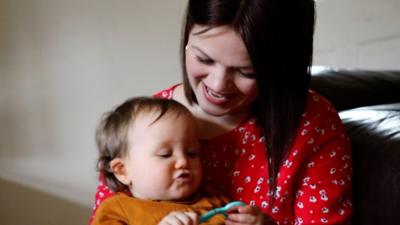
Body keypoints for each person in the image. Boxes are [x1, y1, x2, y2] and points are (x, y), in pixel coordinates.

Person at [91, 0, 353, 224]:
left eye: (246, 72)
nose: (217, 85)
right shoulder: (142, 126)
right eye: (204, 59)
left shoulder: (313, 124)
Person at [93, 97, 232, 225]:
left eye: (192, 153)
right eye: (165, 154)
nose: (183, 161)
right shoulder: (117, 210)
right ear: (123, 171)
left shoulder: (214, 200)